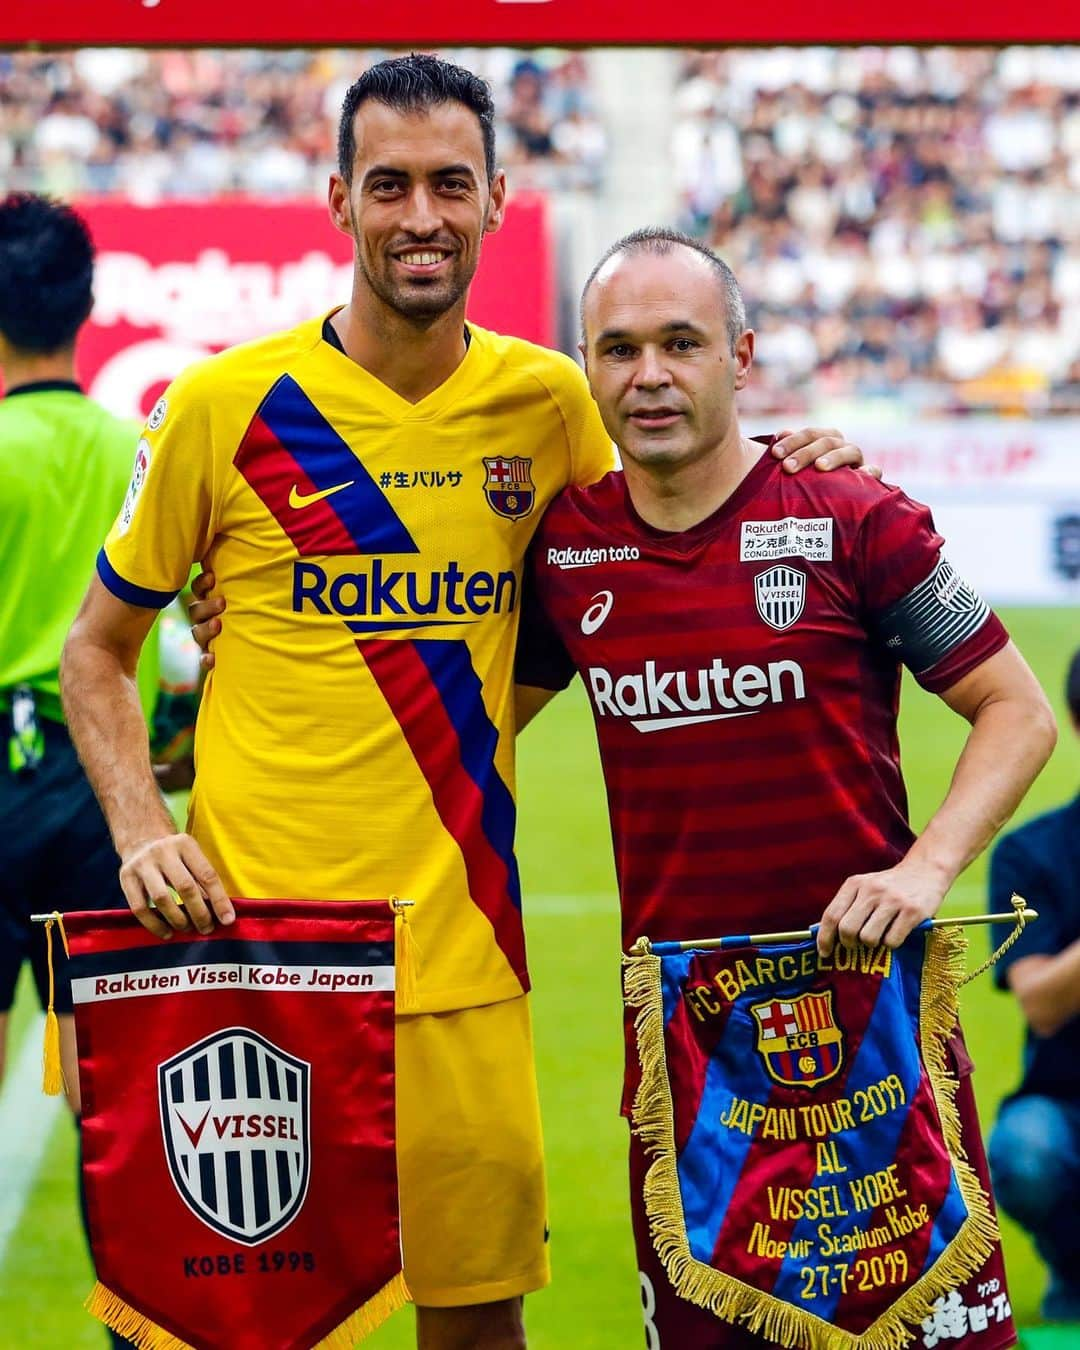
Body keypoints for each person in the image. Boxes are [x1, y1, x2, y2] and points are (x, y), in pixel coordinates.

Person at [62, 57, 867, 1350]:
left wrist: (794, 468)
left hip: (463, 955)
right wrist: (142, 832)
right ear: (339, 199)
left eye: (450, 185)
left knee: (478, 1329)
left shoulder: (550, 403)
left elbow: (658, 548)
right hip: (249, 957)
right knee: (216, 1333)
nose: (420, 215)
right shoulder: (223, 404)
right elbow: (96, 648)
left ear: (497, 198)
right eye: (390, 185)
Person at [510, 228, 1057, 1348]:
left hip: (879, 1034)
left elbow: (1019, 711)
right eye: (617, 349)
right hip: (692, 1057)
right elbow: (464, 730)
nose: (649, 375)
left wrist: (926, 868)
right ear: (584, 365)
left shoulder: (856, 517)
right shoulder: (566, 552)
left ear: (742, 355)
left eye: (680, 343)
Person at [0, 191, 157, 1349]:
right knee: (124, 1115)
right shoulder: (135, 448)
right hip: (106, 798)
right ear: (88, 307)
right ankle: (139, 1328)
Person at [986, 649, 1080, 1321]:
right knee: (1025, 1152)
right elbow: (1041, 1003)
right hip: (1068, 1100)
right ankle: (1073, 1270)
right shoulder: (1032, 851)